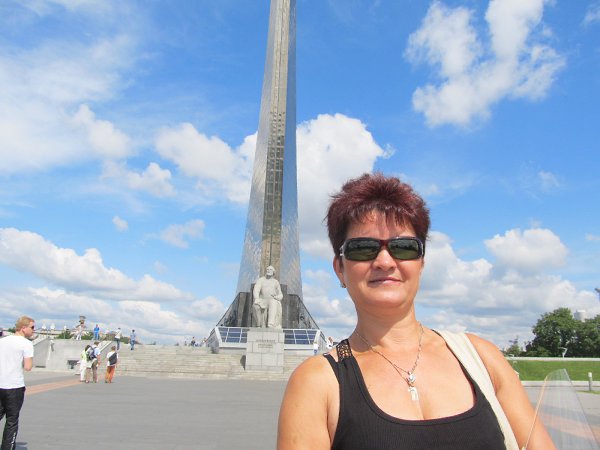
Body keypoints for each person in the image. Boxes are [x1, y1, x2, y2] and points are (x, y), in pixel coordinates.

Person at [278, 173, 555, 450]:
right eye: (363, 248)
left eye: (404, 247)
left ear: (421, 263)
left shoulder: (482, 358)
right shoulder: (317, 383)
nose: (385, 261)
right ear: (340, 268)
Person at [0, 315, 35, 449]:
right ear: (23, 327)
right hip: (14, 386)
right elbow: (28, 367)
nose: (33, 330)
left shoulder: (2, 341)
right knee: (12, 420)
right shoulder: (26, 343)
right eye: (32, 327)